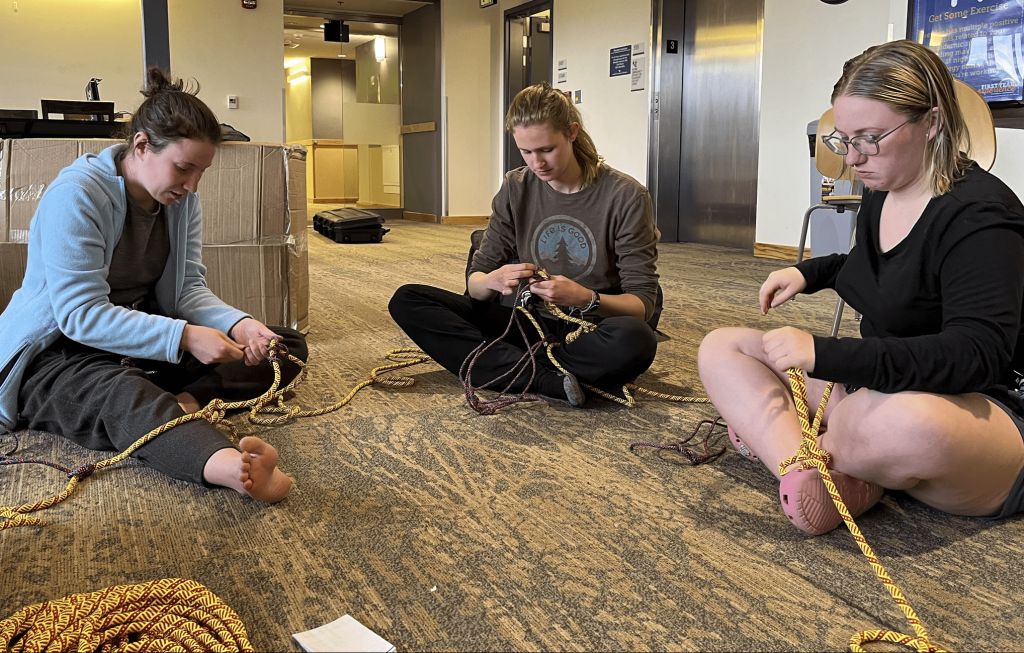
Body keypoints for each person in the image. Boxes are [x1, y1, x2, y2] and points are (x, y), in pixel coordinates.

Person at [698, 40, 1024, 535]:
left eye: (868, 138)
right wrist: (810, 273)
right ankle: (822, 473)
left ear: (931, 123)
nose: (852, 159)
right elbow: (881, 266)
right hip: (880, 386)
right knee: (722, 347)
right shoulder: (884, 189)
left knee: (892, 421)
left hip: (977, 408)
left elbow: (976, 354)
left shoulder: (982, 217)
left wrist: (827, 355)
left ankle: (827, 451)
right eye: (842, 139)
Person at [0, 68, 306, 503]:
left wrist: (240, 325)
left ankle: (183, 403)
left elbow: (186, 293)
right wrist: (183, 335)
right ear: (141, 145)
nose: (193, 185)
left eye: (202, 172)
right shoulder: (77, 195)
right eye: (184, 168)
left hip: (136, 341)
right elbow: (78, 315)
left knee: (284, 345)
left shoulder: (181, 200)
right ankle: (231, 469)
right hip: (57, 352)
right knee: (121, 394)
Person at [389, 82, 661, 405]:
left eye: (546, 149)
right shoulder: (516, 188)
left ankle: (511, 368)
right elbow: (475, 287)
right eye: (526, 152)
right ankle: (548, 380)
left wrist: (585, 297)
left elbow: (643, 306)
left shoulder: (626, 197)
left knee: (637, 340)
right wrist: (494, 279)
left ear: (572, 132)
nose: (537, 163)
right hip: (527, 324)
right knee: (407, 300)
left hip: (587, 332)